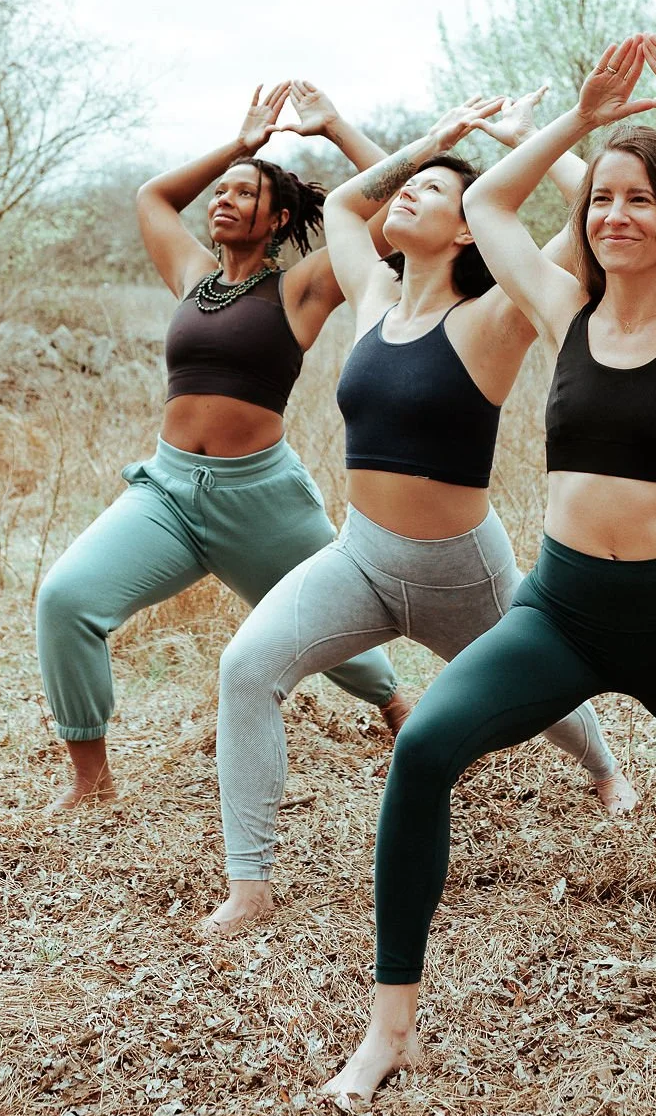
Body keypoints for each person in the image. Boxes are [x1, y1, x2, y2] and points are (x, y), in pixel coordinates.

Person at [324, 33, 656, 1106]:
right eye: (601, 198)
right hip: (562, 608)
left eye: (638, 199)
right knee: (427, 745)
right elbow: (486, 206)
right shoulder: (560, 308)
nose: (615, 214)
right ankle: (391, 1025)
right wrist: (575, 123)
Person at [206, 86, 637, 934]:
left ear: (472, 224)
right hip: (358, 559)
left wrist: (555, 132)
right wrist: (419, 141)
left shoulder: (495, 315)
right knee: (244, 671)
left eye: (435, 193)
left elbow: (594, 223)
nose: (407, 193)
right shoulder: (371, 297)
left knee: (544, 695)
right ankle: (249, 887)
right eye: (408, 185)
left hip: (460, 572)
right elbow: (344, 209)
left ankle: (605, 768)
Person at [35, 80, 406, 813]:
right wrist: (242, 146)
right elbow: (151, 198)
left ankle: (399, 713)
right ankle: (91, 780)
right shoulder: (192, 277)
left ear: (280, 218)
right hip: (167, 495)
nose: (224, 200)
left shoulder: (303, 287)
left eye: (245, 193)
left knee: (331, 631)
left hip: (259, 498)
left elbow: (407, 205)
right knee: (65, 599)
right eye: (222, 192)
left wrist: (335, 131)